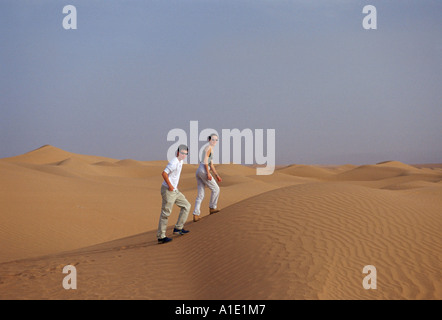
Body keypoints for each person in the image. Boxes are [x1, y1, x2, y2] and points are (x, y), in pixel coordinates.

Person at [157, 144, 191, 244]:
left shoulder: (181, 162)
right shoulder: (174, 162)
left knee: (186, 206)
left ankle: (178, 228)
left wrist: (174, 187)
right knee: (166, 213)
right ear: (178, 152)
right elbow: (164, 173)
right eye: (182, 153)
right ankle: (161, 236)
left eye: (186, 154)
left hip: (175, 191)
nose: (184, 155)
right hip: (168, 190)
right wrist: (170, 186)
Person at [192, 133, 222, 222]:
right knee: (216, 189)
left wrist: (216, 175)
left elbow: (211, 164)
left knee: (201, 195)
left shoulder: (210, 149)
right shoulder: (208, 148)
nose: (215, 141)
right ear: (209, 140)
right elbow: (206, 161)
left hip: (199, 170)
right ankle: (212, 208)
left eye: (216, 140)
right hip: (203, 170)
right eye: (213, 139)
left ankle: (196, 214)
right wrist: (208, 173)